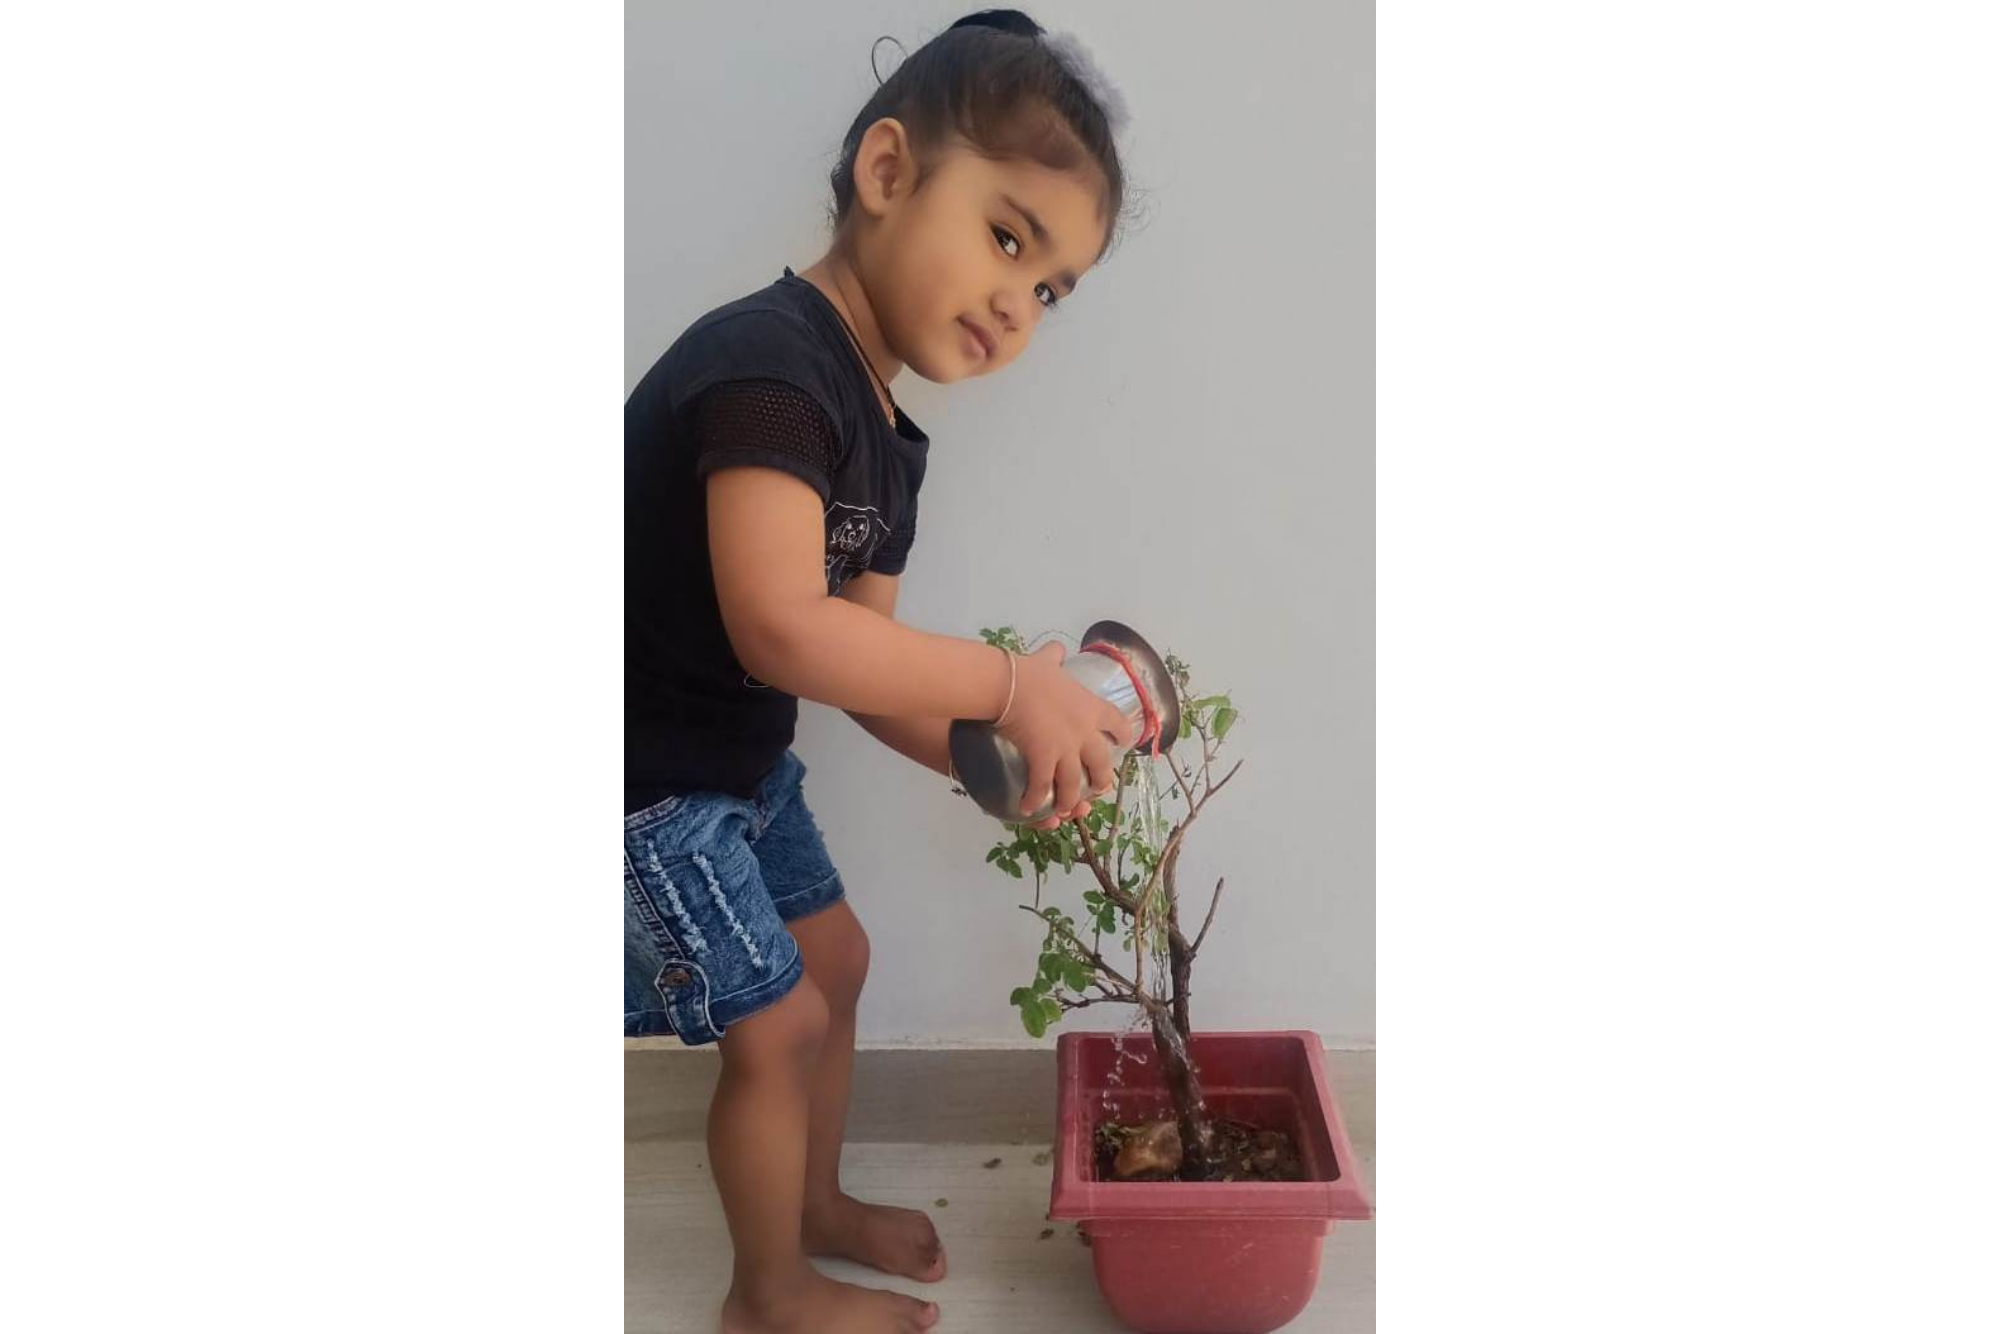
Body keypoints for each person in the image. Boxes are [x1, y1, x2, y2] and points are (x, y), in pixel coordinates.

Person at [625, 11, 1136, 1331]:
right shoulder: (765, 364)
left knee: (836, 962)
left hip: (735, 764)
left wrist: (999, 761)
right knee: (780, 1021)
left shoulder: (887, 439)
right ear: (890, 171)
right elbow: (781, 630)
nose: (1019, 303)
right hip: (642, 782)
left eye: (1052, 290)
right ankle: (766, 1293)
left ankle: (811, 1204)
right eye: (1010, 239)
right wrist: (1010, 684)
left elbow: (866, 670)